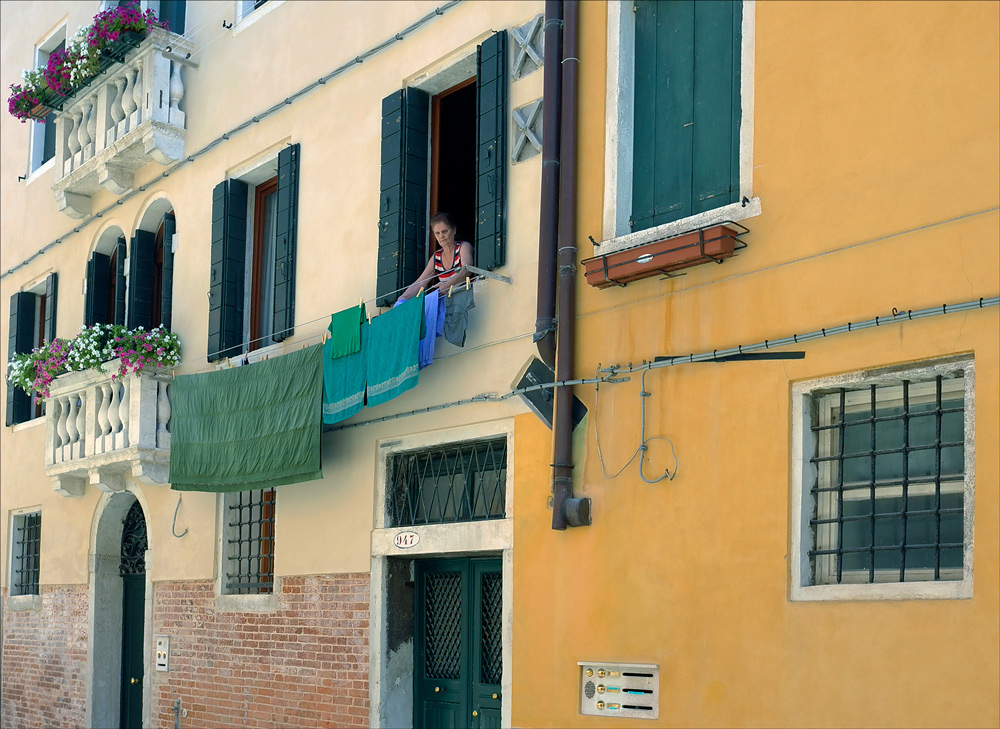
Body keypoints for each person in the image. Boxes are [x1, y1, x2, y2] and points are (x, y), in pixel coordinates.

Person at [398, 212, 474, 302]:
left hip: (469, 300)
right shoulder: (436, 257)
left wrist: (447, 285)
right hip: (449, 305)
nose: (441, 236)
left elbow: (467, 269)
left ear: (454, 230)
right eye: (437, 233)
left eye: (444, 231)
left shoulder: (463, 247)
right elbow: (420, 283)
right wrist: (402, 298)